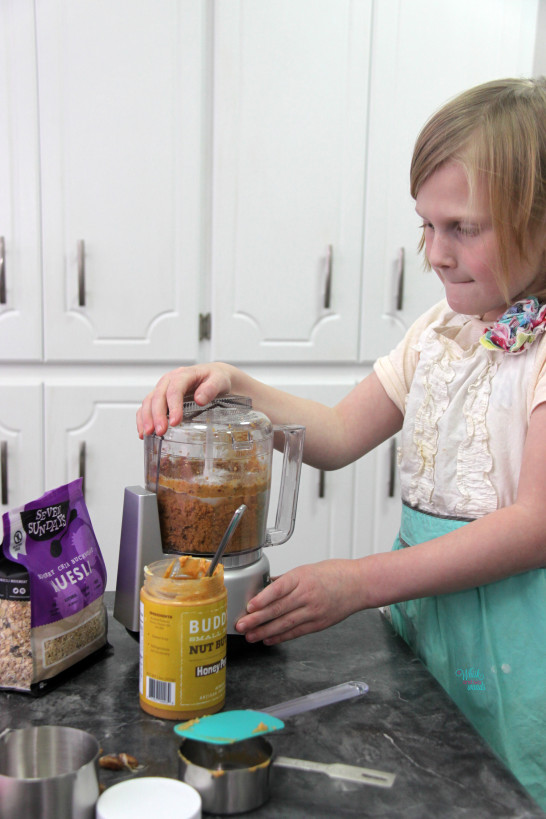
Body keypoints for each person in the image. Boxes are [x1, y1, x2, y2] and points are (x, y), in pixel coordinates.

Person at [137, 77, 546, 808]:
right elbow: (334, 434)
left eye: (463, 228)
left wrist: (358, 582)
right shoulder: (441, 331)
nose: (435, 253)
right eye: (425, 225)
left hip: (520, 653)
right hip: (427, 628)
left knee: (507, 793)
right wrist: (232, 381)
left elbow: (534, 523)